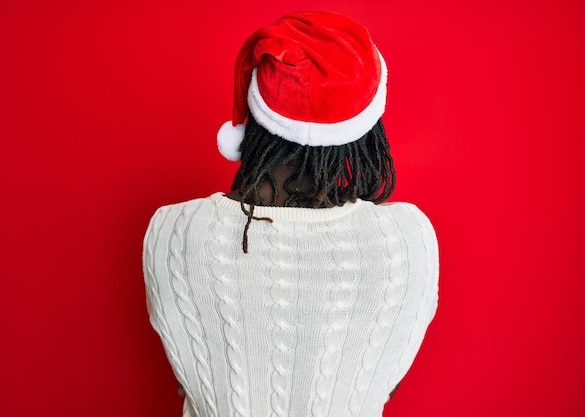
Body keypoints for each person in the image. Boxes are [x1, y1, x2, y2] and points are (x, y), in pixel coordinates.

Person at [143, 11, 439, 417]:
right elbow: (383, 387)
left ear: (254, 119)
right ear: (366, 132)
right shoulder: (408, 240)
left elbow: (187, 377)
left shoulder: (172, 233)